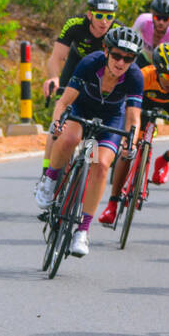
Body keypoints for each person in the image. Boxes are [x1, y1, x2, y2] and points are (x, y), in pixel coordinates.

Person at [35, 26, 145, 259]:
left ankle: (82, 231)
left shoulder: (135, 76)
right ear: (106, 51)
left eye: (128, 58)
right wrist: (57, 124)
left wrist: (131, 144)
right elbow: (64, 103)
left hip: (111, 119)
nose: (121, 62)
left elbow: (133, 119)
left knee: (101, 165)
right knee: (70, 138)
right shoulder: (90, 63)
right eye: (116, 55)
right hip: (81, 109)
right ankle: (50, 179)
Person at [98, 42, 169, 224]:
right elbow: (125, 103)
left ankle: (164, 160)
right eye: (165, 75)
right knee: (129, 150)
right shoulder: (143, 75)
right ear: (156, 71)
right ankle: (113, 203)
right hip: (144, 103)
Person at [41, 0, 120, 174]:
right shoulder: (75, 25)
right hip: (75, 66)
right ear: (90, 14)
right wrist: (54, 77)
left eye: (109, 17)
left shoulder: (117, 31)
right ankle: (47, 172)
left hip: (101, 73)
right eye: (99, 16)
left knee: (95, 119)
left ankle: (87, 168)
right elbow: (56, 57)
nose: (104, 21)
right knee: (59, 122)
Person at [131, 0, 169, 65]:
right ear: (152, 15)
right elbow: (130, 41)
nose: (161, 22)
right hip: (144, 58)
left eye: (166, 19)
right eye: (158, 18)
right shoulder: (143, 20)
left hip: (164, 63)